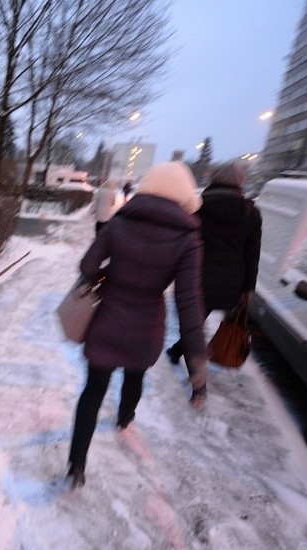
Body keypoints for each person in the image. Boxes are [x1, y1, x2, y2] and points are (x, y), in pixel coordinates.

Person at [66, 161, 208, 489]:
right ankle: (125, 417)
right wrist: (197, 363)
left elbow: (87, 266)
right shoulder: (188, 239)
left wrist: (107, 275)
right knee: (135, 375)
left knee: (92, 391)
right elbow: (188, 302)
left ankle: (76, 467)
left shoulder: (120, 221)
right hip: (146, 327)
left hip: (107, 320)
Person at [165, 161, 262, 368]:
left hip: (197, 274)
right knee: (218, 320)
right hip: (232, 280)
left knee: (196, 319)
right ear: (240, 182)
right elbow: (252, 254)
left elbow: (183, 240)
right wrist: (248, 287)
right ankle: (185, 352)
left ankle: (186, 358)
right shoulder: (251, 213)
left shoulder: (198, 207)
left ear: (213, 179)